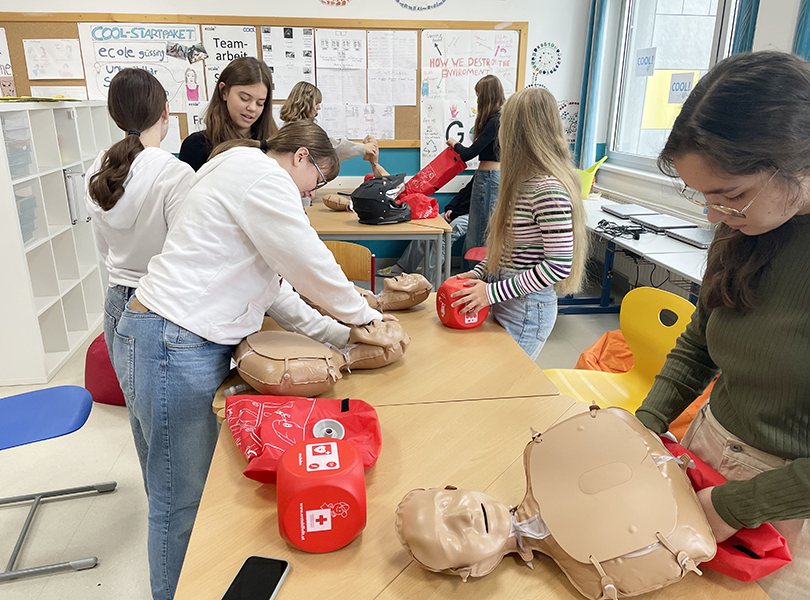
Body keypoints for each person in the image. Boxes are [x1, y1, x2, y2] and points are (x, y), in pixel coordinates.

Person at [113, 120, 391, 600]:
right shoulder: (262, 178)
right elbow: (310, 262)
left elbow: (277, 292)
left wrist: (344, 337)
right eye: (317, 182)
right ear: (300, 157)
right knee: (180, 504)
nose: (312, 196)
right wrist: (366, 318)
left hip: (167, 338)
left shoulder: (243, 173)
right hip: (171, 342)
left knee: (178, 494)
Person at [635, 51, 810, 600]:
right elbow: (697, 346)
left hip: (789, 502)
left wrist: (737, 506)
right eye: (702, 196)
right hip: (707, 448)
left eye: (730, 195)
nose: (713, 216)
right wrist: (643, 426)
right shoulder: (743, 229)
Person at [450, 87, 587, 360]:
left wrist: (490, 293)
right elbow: (509, 252)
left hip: (526, 309)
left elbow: (558, 266)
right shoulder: (522, 183)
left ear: (518, 134)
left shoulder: (547, 189)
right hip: (507, 300)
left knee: (508, 384)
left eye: (502, 126)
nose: (497, 133)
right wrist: (479, 274)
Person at [85, 68, 194, 366]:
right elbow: (184, 256)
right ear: (165, 110)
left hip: (116, 298)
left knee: (132, 402)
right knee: (160, 410)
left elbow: (101, 248)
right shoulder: (176, 173)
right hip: (159, 304)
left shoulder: (98, 168)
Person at [446, 74, 504, 267]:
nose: (477, 100)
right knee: (479, 230)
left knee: (478, 232)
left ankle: (472, 275)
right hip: (490, 178)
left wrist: (454, 144)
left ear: (486, 96)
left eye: (479, 95)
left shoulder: (495, 121)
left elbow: (469, 153)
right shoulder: (501, 120)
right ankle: (472, 274)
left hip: (489, 178)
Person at [178, 57, 275, 171]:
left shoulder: (274, 144)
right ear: (224, 91)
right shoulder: (197, 146)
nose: (252, 108)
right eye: (244, 98)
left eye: (260, 103)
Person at [377, 179, 472, 279]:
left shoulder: (489, 176)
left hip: (472, 215)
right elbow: (464, 192)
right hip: (457, 212)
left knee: (445, 237)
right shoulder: (479, 174)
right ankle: (403, 267)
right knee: (427, 229)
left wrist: (455, 213)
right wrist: (451, 208)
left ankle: (425, 278)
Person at [279, 80, 378, 164]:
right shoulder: (302, 130)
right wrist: (364, 148)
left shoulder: (288, 127)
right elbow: (330, 148)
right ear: (306, 104)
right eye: (316, 103)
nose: (319, 107)